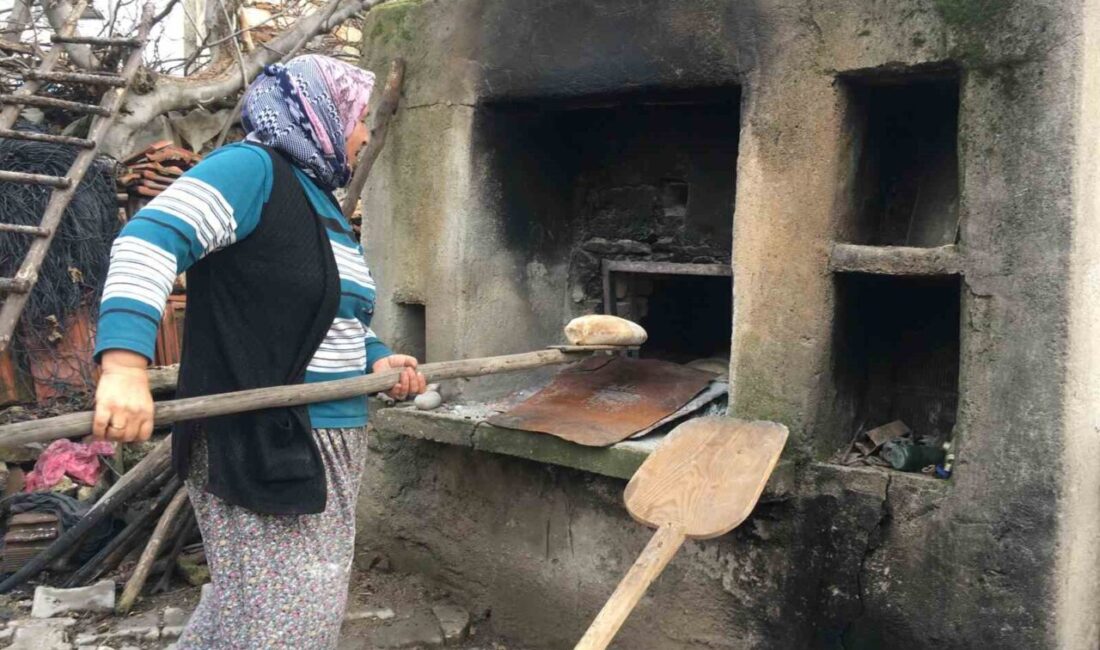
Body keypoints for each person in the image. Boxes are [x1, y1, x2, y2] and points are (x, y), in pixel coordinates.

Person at [91, 54, 426, 649]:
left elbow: (334, 315)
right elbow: (148, 238)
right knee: (287, 628)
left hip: (329, 436)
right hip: (266, 435)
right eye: (359, 118)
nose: (368, 133)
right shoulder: (252, 171)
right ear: (321, 112)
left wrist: (377, 359)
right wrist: (123, 365)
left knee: (247, 611)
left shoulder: (320, 202)